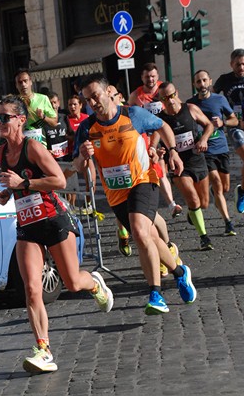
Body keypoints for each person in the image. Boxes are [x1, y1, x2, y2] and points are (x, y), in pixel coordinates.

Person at [0, 95, 113, 374]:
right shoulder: (0, 155)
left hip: (54, 219)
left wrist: (23, 182)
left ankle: (94, 284)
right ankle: (43, 350)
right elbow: (16, 187)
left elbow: (59, 180)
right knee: (32, 289)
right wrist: (7, 193)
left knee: (72, 283)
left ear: (21, 120)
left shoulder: (32, 147)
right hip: (27, 225)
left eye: (4, 117)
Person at [73, 73, 196, 315]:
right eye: (88, 100)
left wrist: (172, 152)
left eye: (95, 96)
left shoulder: (133, 114)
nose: (93, 103)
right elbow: (77, 166)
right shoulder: (87, 128)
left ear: (109, 92)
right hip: (116, 193)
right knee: (147, 236)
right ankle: (181, 273)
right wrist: (83, 156)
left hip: (144, 180)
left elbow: (163, 126)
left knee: (139, 232)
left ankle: (156, 294)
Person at [158, 82, 215, 250]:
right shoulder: (161, 120)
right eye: (164, 98)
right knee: (193, 197)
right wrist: (156, 151)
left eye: (171, 96)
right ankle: (204, 238)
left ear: (176, 93)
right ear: (161, 100)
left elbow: (209, 125)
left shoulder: (190, 109)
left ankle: (193, 212)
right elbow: (153, 142)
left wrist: (204, 139)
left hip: (197, 160)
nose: (169, 101)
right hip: (178, 167)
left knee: (203, 203)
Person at [128, 62, 183, 219]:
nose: (150, 79)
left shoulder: (164, 89)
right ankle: (170, 203)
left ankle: (175, 195)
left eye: (153, 76)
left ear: (157, 76)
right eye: (147, 77)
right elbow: (131, 117)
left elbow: (177, 103)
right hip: (148, 137)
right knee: (159, 169)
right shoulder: (136, 95)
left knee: (169, 167)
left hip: (166, 132)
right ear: (142, 78)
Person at [187, 69, 239, 235]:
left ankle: (199, 206)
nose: (202, 84)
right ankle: (228, 222)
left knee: (224, 188)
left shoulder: (219, 99)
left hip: (222, 148)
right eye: (198, 82)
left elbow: (234, 120)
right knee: (216, 183)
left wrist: (223, 122)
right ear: (194, 85)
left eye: (204, 80)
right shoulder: (191, 105)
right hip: (205, 151)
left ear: (209, 81)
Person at [213, 48, 244, 214]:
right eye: (238, 64)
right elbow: (211, 98)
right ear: (231, 64)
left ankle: (243, 190)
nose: (241, 68)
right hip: (235, 126)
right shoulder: (224, 80)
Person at [45, 92, 79, 209]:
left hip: (67, 157)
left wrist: (70, 138)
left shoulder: (64, 117)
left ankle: (73, 208)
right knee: (60, 188)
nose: (53, 105)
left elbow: (72, 134)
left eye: (54, 102)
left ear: (58, 103)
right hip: (54, 161)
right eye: (50, 103)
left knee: (72, 186)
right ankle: (63, 208)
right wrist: (47, 151)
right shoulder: (43, 122)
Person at [67, 94, 97, 214]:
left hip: (86, 155)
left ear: (80, 105)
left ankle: (88, 204)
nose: (72, 107)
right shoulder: (67, 120)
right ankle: (70, 207)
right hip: (72, 156)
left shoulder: (87, 118)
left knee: (91, 180)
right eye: (70, 105)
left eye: (75, 104)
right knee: (69, 184)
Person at [14, 68, 57, 147]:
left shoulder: (43, 98)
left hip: (40, 143)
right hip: (21, 144)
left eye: (25, 81)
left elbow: (54, 122)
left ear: (30, 82)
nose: (23, 84)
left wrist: (43, 117)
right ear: (16, 85)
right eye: (20, 82)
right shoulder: (14, 102)